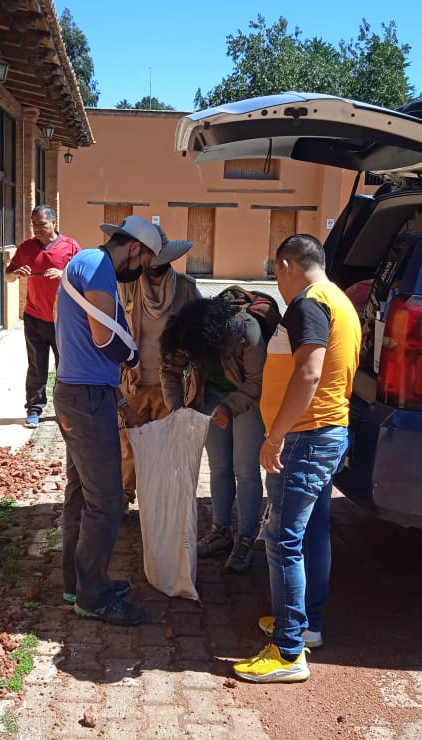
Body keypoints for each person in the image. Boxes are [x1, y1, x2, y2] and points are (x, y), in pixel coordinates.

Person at [233, 233, 361, 683]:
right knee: (311, 531)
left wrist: (276, 437)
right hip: (327, 431)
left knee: (282, 538)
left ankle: (288, 651)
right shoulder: (339, 299)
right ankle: (307, 626)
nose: (276, 282)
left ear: (286, 264)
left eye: (275, 271)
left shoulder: (308, 303)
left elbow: (308, 372)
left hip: (305, 437)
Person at [54, 215, 188, 626]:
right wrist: (131, 354)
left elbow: (89, 354)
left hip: (84, 394)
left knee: (83, 494)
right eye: (145, 258)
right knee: (108, 501)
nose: (144, 267)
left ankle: (77, 584)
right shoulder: (96, 267)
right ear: (134, 248)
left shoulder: (89, 264)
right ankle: (93, 597)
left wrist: (119, 401)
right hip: (84, 400)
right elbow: (103, 338)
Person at [160, 296, 267, 573]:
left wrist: (230, 407)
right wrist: (177, 409)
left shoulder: (246, 331)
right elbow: (170, 371)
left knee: (245, 469)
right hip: (211, 396)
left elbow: (258, 380)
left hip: (249, 399)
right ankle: (221, 532)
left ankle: (245, 537)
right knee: (219, 467)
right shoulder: (188, 332)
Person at [117, 225, 199, 507]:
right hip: (134, 381)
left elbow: (199, 332)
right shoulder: (126, 285)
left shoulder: (187, 288)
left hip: (171, 385)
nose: (154, 270)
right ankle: (125, 496)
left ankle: (159, 499)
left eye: (160, 266)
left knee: (166, 445)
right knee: (129, 445)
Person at [6, 205, 82, 429]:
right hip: (34, 317)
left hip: (63, 320)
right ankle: (34, 409)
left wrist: (63, 274)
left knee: (64, 368)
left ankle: (63, 410)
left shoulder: (71, 247)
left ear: (54, 223)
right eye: (34, 225)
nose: (37, 229)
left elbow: (83, 279)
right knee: (37, 366)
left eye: (42, 224)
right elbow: (8, 276)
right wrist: (16, 274)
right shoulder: (27, 247)